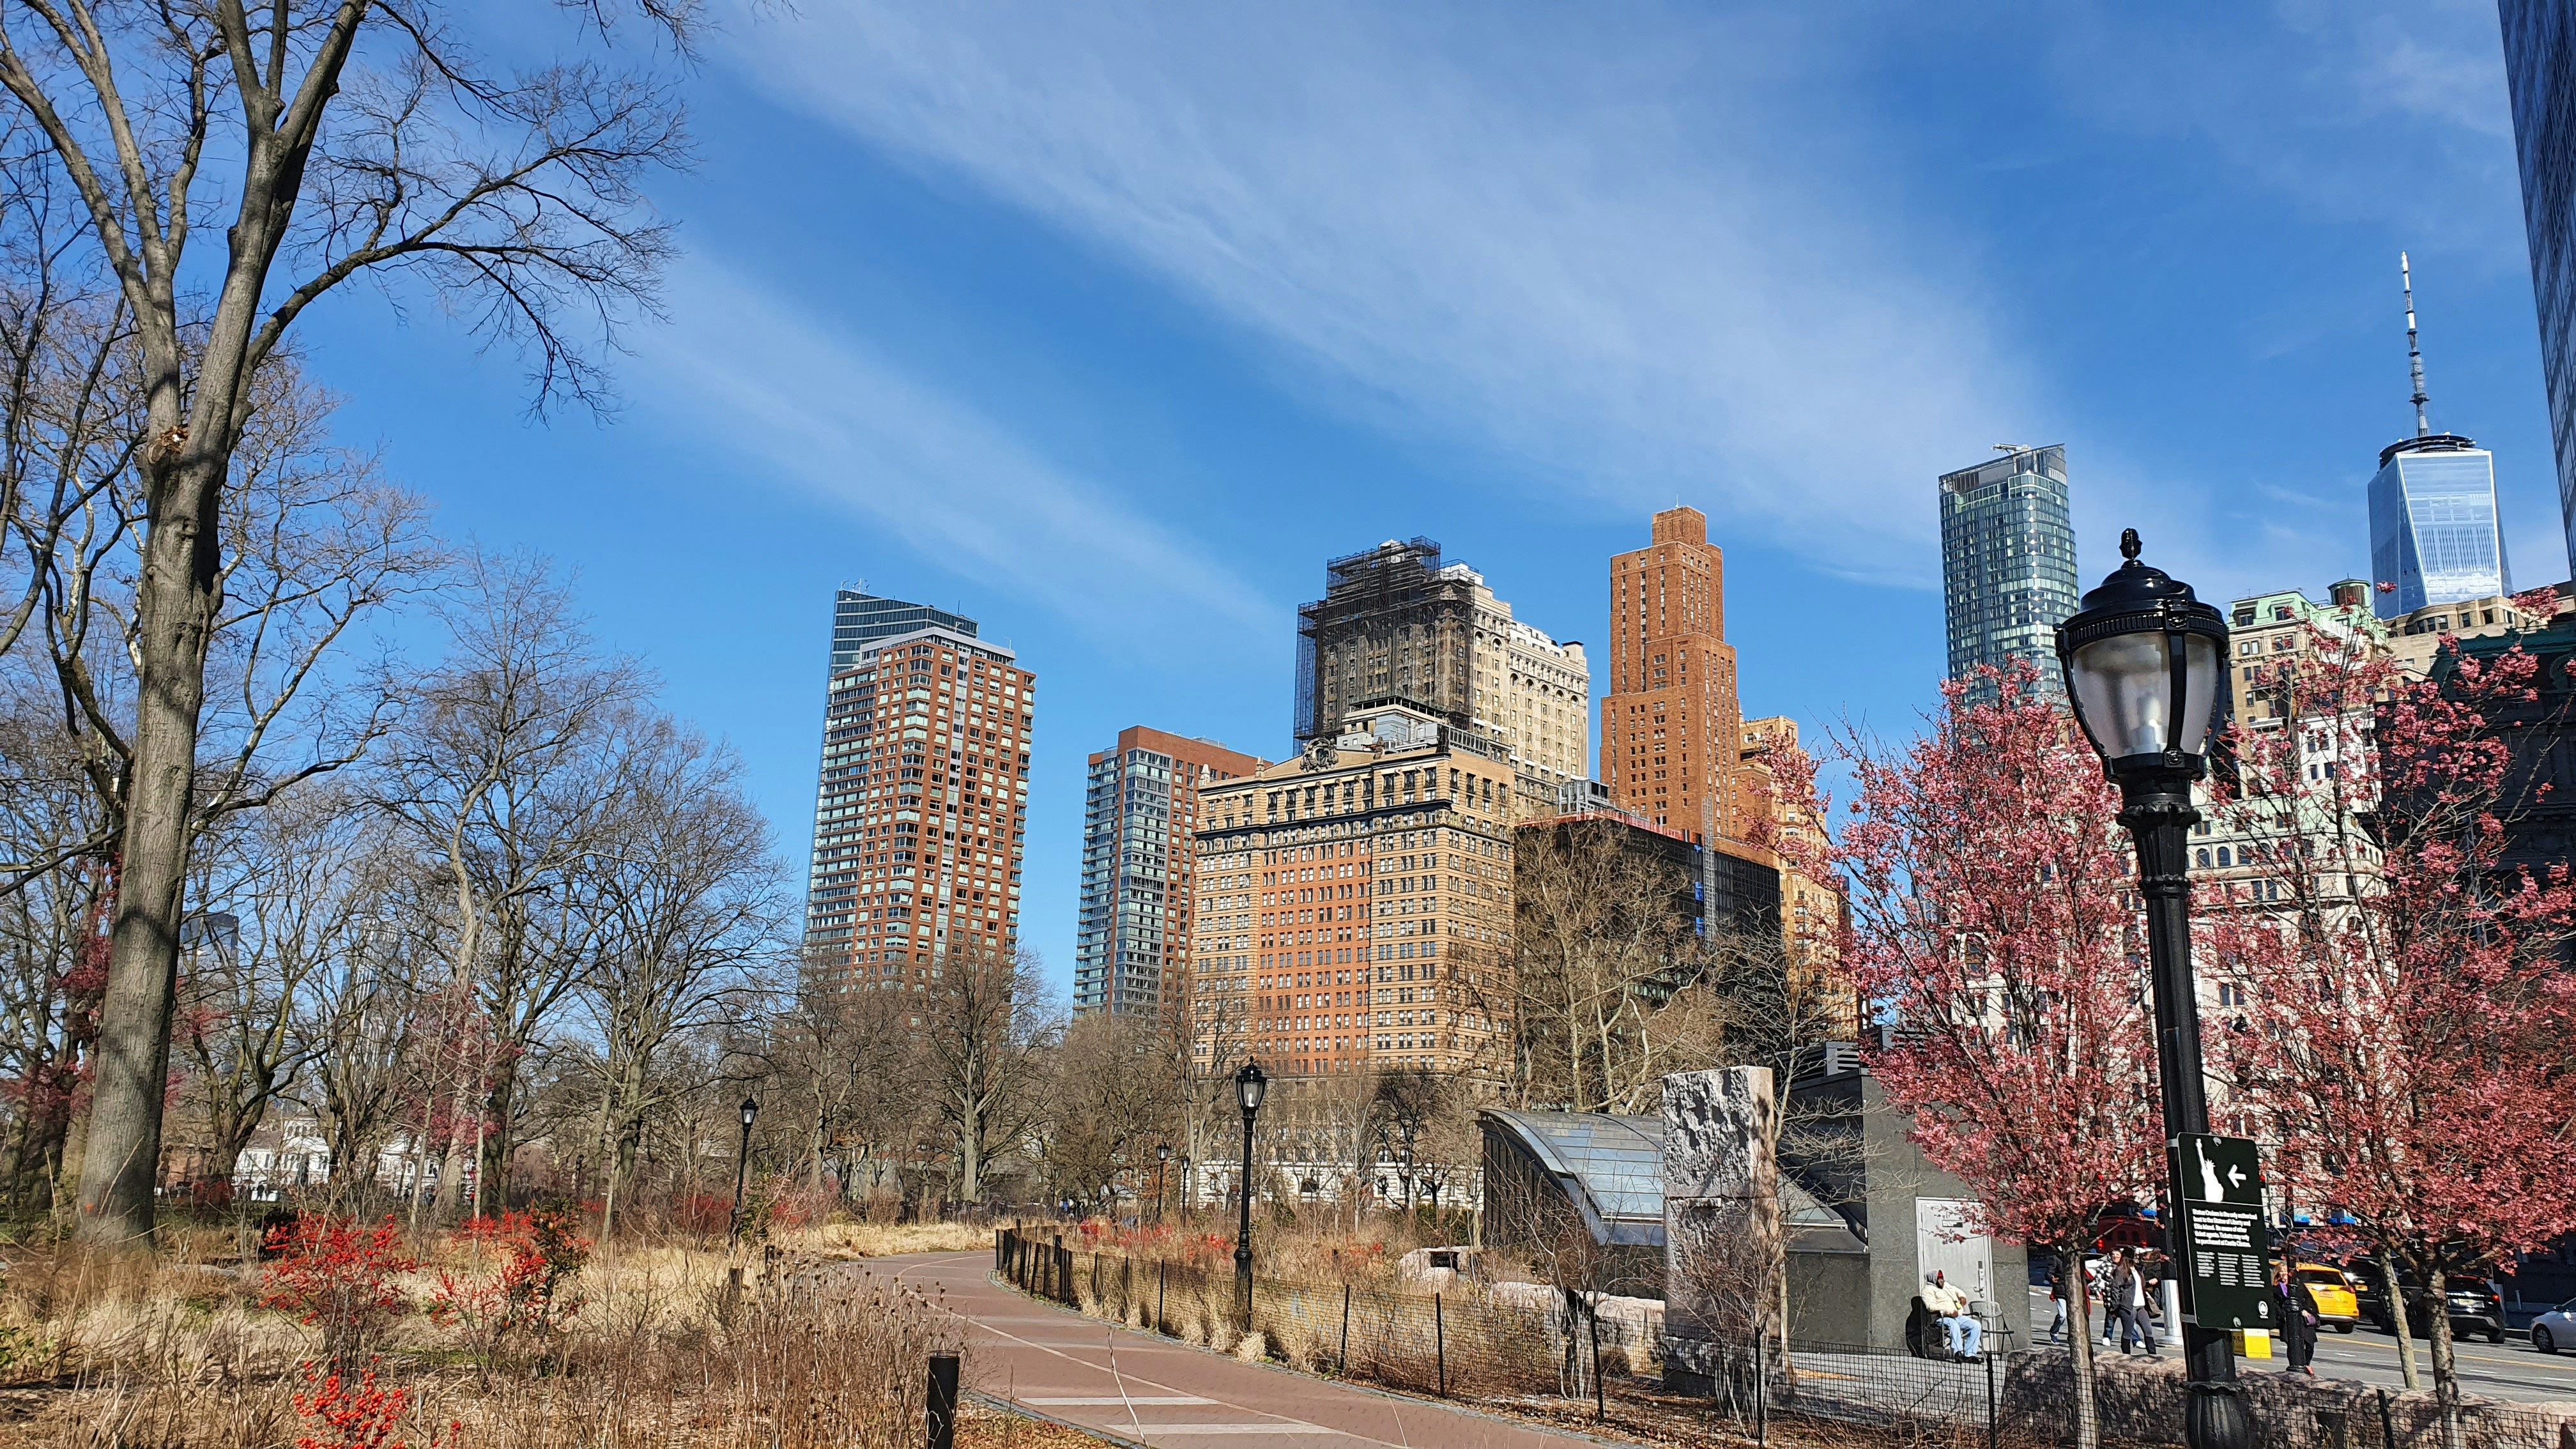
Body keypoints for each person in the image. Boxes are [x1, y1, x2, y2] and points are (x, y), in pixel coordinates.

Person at [1923, 1269, 1983, 1360]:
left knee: (1976, 1325)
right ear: (1934, 1280)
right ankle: (1957, 1352)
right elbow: (1930, 1306)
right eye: (1939, 1279)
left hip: (1957, 1316)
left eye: (1942, 1278)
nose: (1942, 1281)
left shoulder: (1946, 1286)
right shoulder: (1928, 1290)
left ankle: (1969, 1354)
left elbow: (1957, 1290)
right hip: (1941, 1317)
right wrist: (1949, 1311)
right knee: (1954, 1325)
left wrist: (1962, 1296)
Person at [2273, 1261, 2319, 1376]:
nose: (2284, 1274)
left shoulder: (2297, 1285)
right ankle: (2298, 1365)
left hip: (2304, 1319)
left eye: (2286, 1272)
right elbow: (2275, 1305)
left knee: (2309, 1343)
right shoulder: (2275, 1288)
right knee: (2293, 1343)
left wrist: (2307, 1311)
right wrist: (2284, 1314)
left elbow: (2308, 1299)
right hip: (2289, 1320)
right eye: (2282, 1272)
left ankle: (2306, 1363)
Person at [2046, 1255, 2070, 1343]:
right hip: (2061, 1290)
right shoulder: (2056, 1258)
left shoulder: (2074, 1256)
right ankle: (2054, 1331)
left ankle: (2072, 1336)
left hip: (2074, 1291)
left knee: (2074, 1315)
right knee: (2063, 1314)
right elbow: (2049, 1272)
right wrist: (2051, 1278)